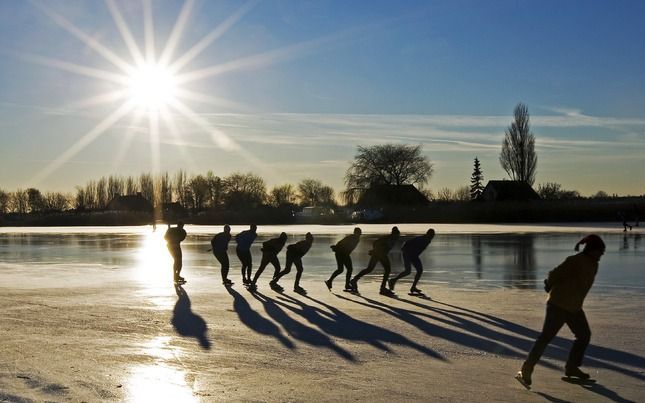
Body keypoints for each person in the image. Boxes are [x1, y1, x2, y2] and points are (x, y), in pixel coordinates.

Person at [515, 234, 606, 388]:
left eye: (602, 253)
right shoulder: (575, 261)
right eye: (599, 252)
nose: (601, 255)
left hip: (574, 307)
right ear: (591, 250)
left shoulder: (593, 264)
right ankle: (526, 369)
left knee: (584, 335)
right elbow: (554, 274)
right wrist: (549, 285)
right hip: (558, 305)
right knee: (545, 338)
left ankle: (571, 367)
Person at [349, 226, 400, 295]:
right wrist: (376, 250)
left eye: (397, 235)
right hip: (378, 254)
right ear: (393, 234)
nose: (397, 236)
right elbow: (375, 242)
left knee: (371, 269)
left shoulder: (393, 239)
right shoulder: (388, 238)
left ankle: (354, 280)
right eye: (396, 235)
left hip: (381, 255)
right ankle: (382, 288)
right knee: (382, 269)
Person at [388, 228, 435, 295]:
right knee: (408, 271)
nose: (431, 237)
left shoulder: (428, 240)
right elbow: (407, 242)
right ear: (427, 234)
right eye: (430, 236)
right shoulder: (420, 239)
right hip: (408, 254)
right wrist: (404, 250)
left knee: (420, 270)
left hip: (414, 256)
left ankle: (413, 287)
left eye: (432, 236)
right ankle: (393, 280)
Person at [325, 227, 362, 292]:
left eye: (360, 232)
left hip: (344, 254)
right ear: (355, 232)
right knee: (343, 269)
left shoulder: (357, 238)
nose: (360, 233)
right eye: (359, 232)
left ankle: (332, 282)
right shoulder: (352, 237)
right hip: (341, 253)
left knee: (344, 269)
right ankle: (331, 282)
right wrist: (336, 248)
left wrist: (336, 248)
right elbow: (341, 242)